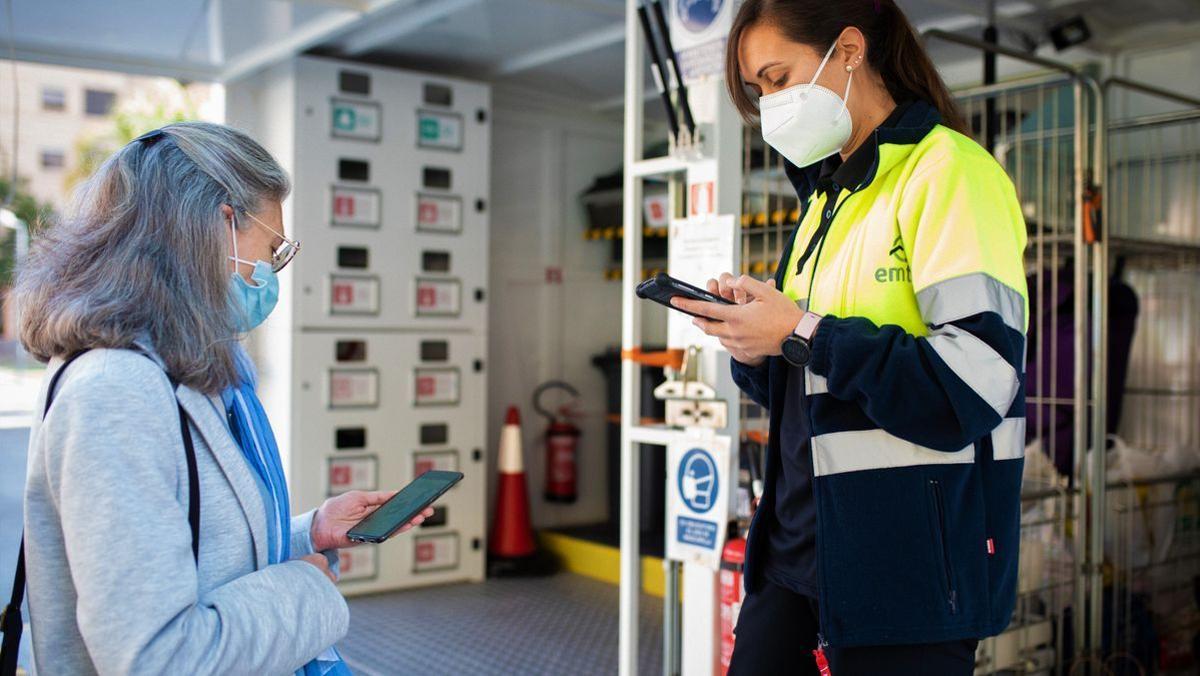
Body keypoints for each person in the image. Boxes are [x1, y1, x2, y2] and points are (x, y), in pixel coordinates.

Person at [671, 1, 1028, 674]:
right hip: (796, 548)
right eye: (758, 91)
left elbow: (975, 385)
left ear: (850, 50)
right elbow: (812, 371)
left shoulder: (949, 173)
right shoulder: (825, 200)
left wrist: (802, 331)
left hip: (908, 565)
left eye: (778, 77)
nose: (771, 102)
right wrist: (756, 344)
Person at [13, 122, 432, 674]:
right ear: (218, 225)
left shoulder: (178, 370)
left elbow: (188, 552)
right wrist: (305, 584)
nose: (271, 273)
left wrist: (310, 530)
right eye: (272, 248)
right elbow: (158, 658)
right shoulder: (115, 393)